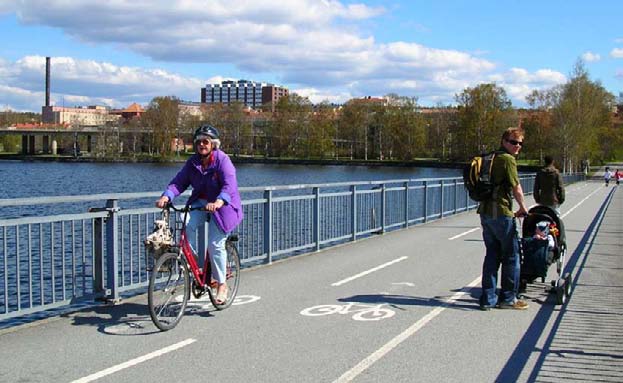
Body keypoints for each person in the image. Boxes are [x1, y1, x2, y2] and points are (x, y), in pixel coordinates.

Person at [155, 124, 243, 304]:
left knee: (214, 243)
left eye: (206, 141)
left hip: (223, 206)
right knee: (184, 223)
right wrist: (167, 196)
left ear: (213, 144)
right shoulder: (193, 162)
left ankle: (221, 284)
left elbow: (229, 185)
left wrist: (219, 201)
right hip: (200, 203)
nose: (202, 145)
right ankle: (197, 266)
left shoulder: (222, 160)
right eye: (199, 142)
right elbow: (179, 182)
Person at [478, 127, 529, 311]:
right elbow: (516, 187)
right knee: (511, 256)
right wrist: (523, 208)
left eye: (520, 143)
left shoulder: (490, 158)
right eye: (514, 142)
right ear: (504, 141)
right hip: (501, 213)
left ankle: (487, 298)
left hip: (485, 212)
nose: (517, 146)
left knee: (492, 255)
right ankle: (508, 298)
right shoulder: (508, 160)